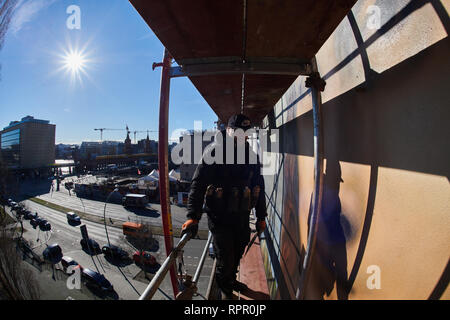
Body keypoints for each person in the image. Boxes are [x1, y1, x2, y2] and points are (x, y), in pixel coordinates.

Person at [181, 114, 267, 300]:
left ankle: (231, 280)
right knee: (225, 258)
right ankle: (226, 290)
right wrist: (192, 216)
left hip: (242, 215)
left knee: (238, 251)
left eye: (245, 132)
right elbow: (198, 184)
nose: (242, 135)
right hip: (220, 218)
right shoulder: (214, 152)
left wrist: (261, 216)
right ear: (228, 131)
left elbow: (258, 184)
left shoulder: (250, 154)